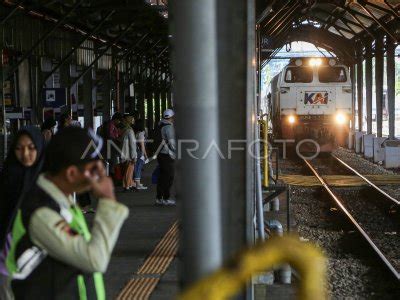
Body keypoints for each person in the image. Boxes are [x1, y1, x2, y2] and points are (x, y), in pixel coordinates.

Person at [7, 127, 129, 299]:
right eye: (94, 167)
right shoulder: (41, 213)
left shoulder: (59, 201)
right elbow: (94, 259)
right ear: (71, 173)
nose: (101, 173)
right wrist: (108, 201)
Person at [0, 126, 45, 300]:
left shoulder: (49, 180)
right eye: (19, 148)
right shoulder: (7, 178)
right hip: (7, 260)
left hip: (40, 261)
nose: (25, 153)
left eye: (31, 148)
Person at [156, 109, 176, 206]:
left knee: (162, 177)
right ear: (172, 117)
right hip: (167, 154)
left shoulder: (160, 125)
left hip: (160, 153)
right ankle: (166, 198)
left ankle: (159, 198)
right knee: (169, 177)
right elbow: (172, 143)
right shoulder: (168, 127)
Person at [120, 113, 137, 192]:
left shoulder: (124, 130)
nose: (134, 120)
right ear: (129, 120)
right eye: (132, 119)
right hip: (129, 154)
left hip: (124, 153)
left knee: (127, 170)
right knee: (129, 170)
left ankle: (128, 185)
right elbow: (132, 144)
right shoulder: (129, 130)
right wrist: (134, 156)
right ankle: (127, 186)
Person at [134, 119, 148, 190]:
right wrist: (145, 155)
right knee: (139, 168)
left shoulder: (136, 133)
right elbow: (142, 146)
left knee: (136, 167)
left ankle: (136, 183)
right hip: (140, 153)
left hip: (136, 151)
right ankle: (138, 185)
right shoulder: (141, 134)